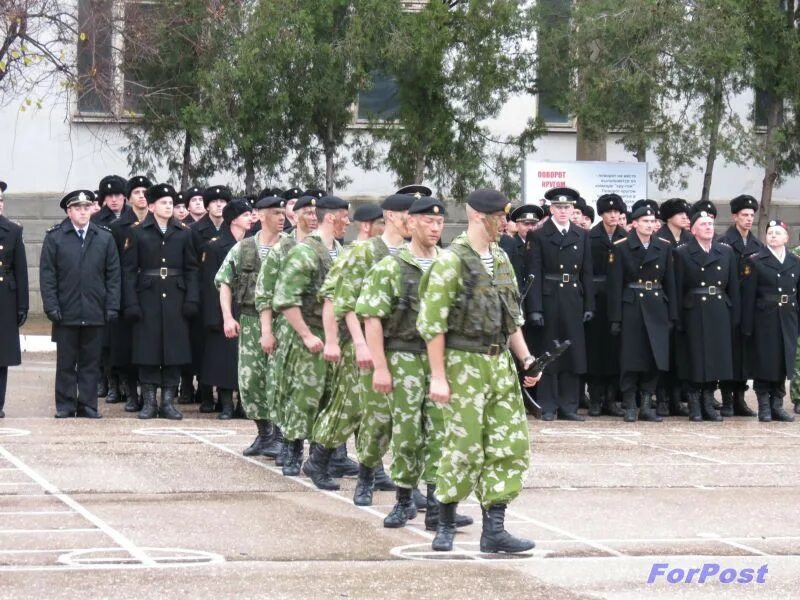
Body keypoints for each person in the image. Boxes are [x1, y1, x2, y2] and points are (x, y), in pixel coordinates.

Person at [417, 188, 541, 554]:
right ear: (476, 215)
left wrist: (526, 359)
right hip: (462, 362)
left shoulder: (501, 259)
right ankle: (444, 520)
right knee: (463, 445)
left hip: (498, 362)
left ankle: (495, 529)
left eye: (506, 216)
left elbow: (511, 318)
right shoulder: (451, 261)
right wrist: (438, 376)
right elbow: (432, 325)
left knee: (509, 443)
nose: (505, 222)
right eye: (498, 216)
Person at [355, 196, 474, 532]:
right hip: (403, 356)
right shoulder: (391, 266)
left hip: (440, 360)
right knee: (406, 434)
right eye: (427, 222)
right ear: (411, 224)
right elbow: (372, 318)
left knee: (442, 432)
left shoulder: (450, 265)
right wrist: (380, 366)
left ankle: (437, 505)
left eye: (439, 222)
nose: (435, 228)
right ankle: (404, 499)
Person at [272, 195, 349, 479]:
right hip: (308, 334)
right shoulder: (305, 252)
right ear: (331, 217)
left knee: (329, 398)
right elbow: (285, 299)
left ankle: (320, 457)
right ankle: (292, 449)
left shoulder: (338, 252)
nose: (348, 223)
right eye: (344, 216)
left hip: (332, 334)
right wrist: (305, 335)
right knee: (303, 396)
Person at [40, 190, 121, 418]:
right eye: (78, 208)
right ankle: (65, 405)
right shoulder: (55, 237)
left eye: (87, 207)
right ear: (69, 211)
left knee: (90, 363)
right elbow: (48, 276)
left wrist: (112, 306)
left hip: (95, 310)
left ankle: (88, 405)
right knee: (66, 363)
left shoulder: (104, 237)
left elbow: (113, 275)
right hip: (66, 311)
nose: (83, 212)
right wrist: (51, 305)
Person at [122, 184, 199, 420]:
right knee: (148, 350)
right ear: (152, 206)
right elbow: (129, 271)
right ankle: (148, 402)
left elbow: (192, 269)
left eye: (171, 203)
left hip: (176, 296)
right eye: (164, 203)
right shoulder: (137, 232)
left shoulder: (184, 232)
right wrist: (131, 303)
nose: (168, 207)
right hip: (148, 296)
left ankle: (167, 402)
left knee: (174, 350)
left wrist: (192, 299)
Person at [216, 195, 286, 455]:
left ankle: (281, 435)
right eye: (276, 213)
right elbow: (224, 281)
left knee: (278, 379)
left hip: (281, 322)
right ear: (261, 215)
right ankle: (264, 433)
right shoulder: (244, 248)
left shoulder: (291, 247)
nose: (281, 218)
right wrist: (227, 316)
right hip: (249, 320)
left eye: (283, 213)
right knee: (250, 380)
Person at [255, 194, 318, 467]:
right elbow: (265, 292)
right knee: (289, 388)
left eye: (317, 212)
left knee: (321, 391)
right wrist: (267, 331)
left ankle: (325, 455)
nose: (313, 217)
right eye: (308, 212)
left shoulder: (330, 248)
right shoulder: (283, 248)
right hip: (288, 328)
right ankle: (291, 448)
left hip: (321, 328)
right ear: (295, 215)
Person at [526, 187, 594, 421]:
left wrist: (589, 305)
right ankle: (547, 405)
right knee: (549, 352)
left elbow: (587, 272)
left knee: (572, 353)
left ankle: (569, 406)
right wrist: (534, 308)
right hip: (549, 296)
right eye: (558, 207)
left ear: (573, 209)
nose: (563, 211)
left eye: (567, 207)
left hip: (574, 297)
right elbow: (534, 273)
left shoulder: (581, 234)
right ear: (551, 209)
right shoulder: (539, 234)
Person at [607, 205, 677, 423]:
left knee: (654, 356)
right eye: (644, 221)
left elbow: (670, 283)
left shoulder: (664, 247)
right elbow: (615, 285)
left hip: (656, 304)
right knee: (631, 356)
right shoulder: (621, 247)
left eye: (652, 221)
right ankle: (630, 404)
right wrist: (615, 317)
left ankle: (646, 403)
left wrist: (672, 314)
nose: (649, 225)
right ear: (634, 223)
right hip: (632, 305)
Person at [674, 211, 739, 421]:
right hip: (694, 309)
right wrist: (677, 317)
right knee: (695, 356)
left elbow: (733, 287)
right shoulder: (683, 252)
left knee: (716, 358)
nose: (708, 227)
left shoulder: (725, 252)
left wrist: (735, 314)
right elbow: (677, 287)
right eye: (703, 224)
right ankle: (694, 402)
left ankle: (709, 400)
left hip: (719, 308)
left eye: (711, 224)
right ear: (693, 230)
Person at [741, 220, 798, 422]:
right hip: (764, 317)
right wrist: (747, 325)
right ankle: (764, 405)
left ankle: (777, 404)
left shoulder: (794, 261)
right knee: (765, 361)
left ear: (786, 238)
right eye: (770, 233)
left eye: (777, 233)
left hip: (788, 317)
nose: (773, 236)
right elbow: (748, 296)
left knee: (783, 361)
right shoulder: (755, 261)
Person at [201, 200, 252, 420]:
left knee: (245, 358)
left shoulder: (252, 245)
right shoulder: (215, 246)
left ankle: (243, 402)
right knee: (224, 359)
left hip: (247, 307)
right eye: (246, 214)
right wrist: (216, 318)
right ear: (234, 219)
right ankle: (226, 404)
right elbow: (209, 284)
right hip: (224, 309)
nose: (250, 217)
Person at [106, 175, 152, 413]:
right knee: (126, 347)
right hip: (127, 293)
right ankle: (131, 393)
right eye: (137, 192)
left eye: (145, 192)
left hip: (152, 294)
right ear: (128, 197)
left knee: (149, 347)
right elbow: (113, 266)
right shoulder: (117, 227)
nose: (141, 196)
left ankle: (149, 394)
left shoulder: (160, 223)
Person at [187, 185, 232, 410]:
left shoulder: (231, 229)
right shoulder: (195, 230)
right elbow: (192, 266)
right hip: (205, 292)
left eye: (223, 202)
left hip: (228, 294)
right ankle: (204, 393)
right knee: (203, 346)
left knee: (223, 349)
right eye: (214, 202)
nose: (219, 205)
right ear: (207, 205)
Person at [717, 194, 761, 417]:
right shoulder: (724, 243)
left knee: (745, 353)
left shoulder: (757, 244)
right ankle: (726, 398)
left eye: (752, 215)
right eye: (744, 215)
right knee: (729, 353)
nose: (749, 219)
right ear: (735, 216)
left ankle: (740, 398)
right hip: (728, 304)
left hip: (749, 306)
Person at [585, 193, 627, 417]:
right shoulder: (590, 237)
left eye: (617, 212)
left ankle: (612, 399)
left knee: (615, 351)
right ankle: (595, 398)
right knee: (596, 350)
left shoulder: (625, 237)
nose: (613, 216)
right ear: (601, 214)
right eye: (609, 212)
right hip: (598, 299)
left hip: (619, 300)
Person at [0, 181, 29, 418]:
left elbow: (21, 270)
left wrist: (22, 305)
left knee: (2, 355)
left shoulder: (12, 230)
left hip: (4, 298)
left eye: (0, 200)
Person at [500, 204, 544, 293]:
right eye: (526, 224)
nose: (530, 228)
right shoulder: (510, 245)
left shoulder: (543, 244)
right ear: (517, 226)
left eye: (533, 224)